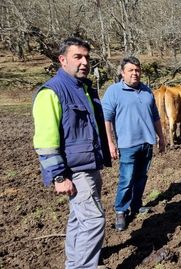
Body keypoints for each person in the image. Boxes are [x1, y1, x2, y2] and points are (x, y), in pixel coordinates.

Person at [32, 37, 111, 268]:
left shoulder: (84, 89)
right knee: (94, 221)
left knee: (79, 220)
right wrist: (58, 175)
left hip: (89, 165)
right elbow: (45, 141)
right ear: (62, 59)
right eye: (78, 57)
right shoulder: (51, 92)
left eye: (87, 57)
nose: (84, 62)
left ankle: (74, 265)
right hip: (74, 171)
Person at [102, 56, 165, 232]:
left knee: (141, 177)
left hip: (147, 142)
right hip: (127, 144)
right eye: (131, 70)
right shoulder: (113, 91)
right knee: (126, 178)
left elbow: (155, 117)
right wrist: (110, 143)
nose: (135, 74)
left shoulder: (146, 91)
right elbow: (106, 119)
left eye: (137, 70)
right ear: (123, 73)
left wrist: (161, 137)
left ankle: (136, 205)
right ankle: (121, 210)